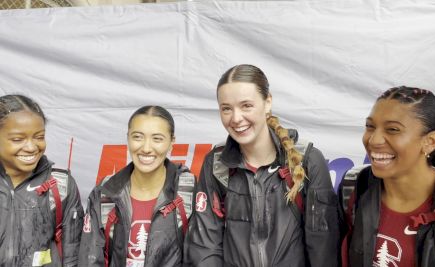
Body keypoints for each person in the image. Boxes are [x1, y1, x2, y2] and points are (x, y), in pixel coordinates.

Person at [184, 64, 340, 267]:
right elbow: (205, 247)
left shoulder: (308, 160)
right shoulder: (215, 164)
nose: (236, 118)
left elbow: (323, 248)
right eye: (226, 109)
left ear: (268, 103)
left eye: (246, 105)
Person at [339, 86, 435, 266]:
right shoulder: (354, 187)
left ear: (430, 142)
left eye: (393, 129)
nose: (373, 140)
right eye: (370, 126)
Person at [79, 105, 195, 267]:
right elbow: (90, 258)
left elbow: (201, 255)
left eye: (157, 139)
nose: (146, 148)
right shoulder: (106, 192)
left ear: (171, 142)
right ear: (128, 138)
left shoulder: (189, 191)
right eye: (138, 137)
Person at [0, 94, 84, 266]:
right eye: (18, 139)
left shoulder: (60, 184)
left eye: (39, 137)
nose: (31, 147)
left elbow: (73, 255)